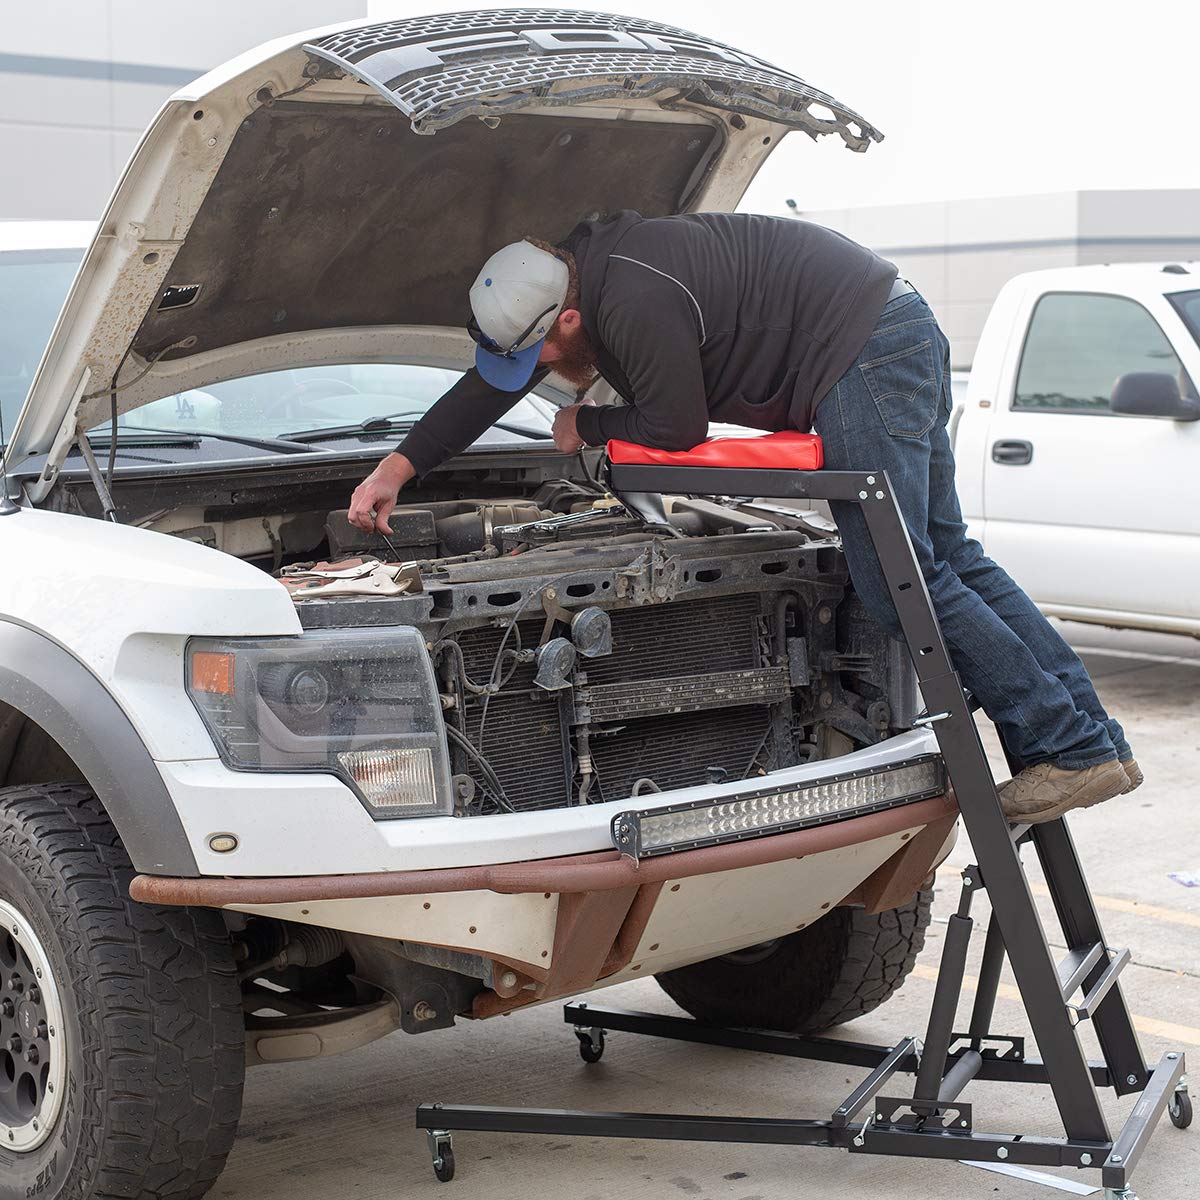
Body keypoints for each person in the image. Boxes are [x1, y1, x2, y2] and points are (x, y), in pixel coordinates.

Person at [348, 210, 1138, 823]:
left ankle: (1064, 746)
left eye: (542, 358)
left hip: (859, 349)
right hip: (888, 329)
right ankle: (1093, 746)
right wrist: (398, 466)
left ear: (565, 321)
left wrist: (586, 428)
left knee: (901, 578)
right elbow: (493, 386)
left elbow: (675, 427)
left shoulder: (633, 300)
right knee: (947, 559)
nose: (541, 375)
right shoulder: (587, 274)